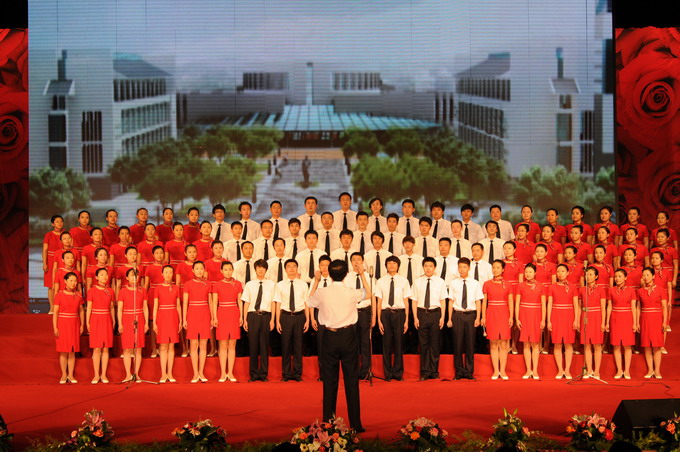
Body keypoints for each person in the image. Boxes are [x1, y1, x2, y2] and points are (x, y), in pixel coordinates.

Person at [306, 259, 368, 432]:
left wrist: (316, 281)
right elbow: (369, 294)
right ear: (346, 274)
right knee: (351, 381)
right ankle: (355, 424)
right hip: (348, 337)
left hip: (329, 337)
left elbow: (309, 301)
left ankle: (328, 423)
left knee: (329, 381)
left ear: (330, 274)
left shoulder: (322, 292)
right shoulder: (351, 292)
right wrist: (362, 274)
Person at [374, 256, 410, 381]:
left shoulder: (404, 281)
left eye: (394, 263)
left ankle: (398, 373)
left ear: (398, 266)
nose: (392, 265)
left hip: (399, 313)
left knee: (399, 344)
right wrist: (379, 320)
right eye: (389, 263)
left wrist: (407, 320)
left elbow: (406, 302)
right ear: (386, 266)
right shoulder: (380, 281)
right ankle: (388, 373)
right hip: (385, 313)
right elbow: (379, 302)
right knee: (386, 344)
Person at [411, 257, 448, 380]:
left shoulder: (440, 282)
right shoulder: (417, 282)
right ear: (423, 267)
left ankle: (434, 371)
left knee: (435, 344)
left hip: (435, 313)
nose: (428, 268)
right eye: (426, 266)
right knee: (423, 344)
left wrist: (442, 317)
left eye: (430, 266)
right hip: (422, 313)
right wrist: (415, 317)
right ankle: (425, 372)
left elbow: (443, 300)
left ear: (435, 268)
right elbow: (414, 301)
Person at [274, 259, 310, 382]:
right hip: (285, 316)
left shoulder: (303, 284)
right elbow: (278, 304)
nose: (291, 269)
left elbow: (306, 303)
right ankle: (286, 374)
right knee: (286, 346)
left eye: (294, 266)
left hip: (300, 316)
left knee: (298, 346)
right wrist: (277, 321)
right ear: (285, 269)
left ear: (297, 268)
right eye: (289, 266)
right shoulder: (280, 285)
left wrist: (307, 320)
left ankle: (298, 374)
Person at [448, 257, 484, 380]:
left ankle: (469, 372)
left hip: (471, 315)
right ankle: (458, 372)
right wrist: (449, 318)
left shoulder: (475, 283)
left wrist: (478, 317)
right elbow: (451, 301)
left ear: (469, 268)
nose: (462, 269)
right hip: (457, 315)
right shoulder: (453, 283)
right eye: (460, 267)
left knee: (470, 344)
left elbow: (478, 301)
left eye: (464, 267)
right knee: (457, 344)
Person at [242, 259, 276, 382]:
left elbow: (273, 302)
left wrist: (272, 319)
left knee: (264, 346)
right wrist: (245, 319)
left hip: (266, 316)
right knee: (253, 345)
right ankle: (253, 374)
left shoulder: (272, 284)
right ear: (255, 269)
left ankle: (263, 374)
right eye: (258, 267)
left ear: (266, 269)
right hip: (253, 316)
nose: (261, 270)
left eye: (263, 268)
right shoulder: (249, 284)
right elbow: (246, 302)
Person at [211, 261, 243, 382]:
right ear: (221, 271)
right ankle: (223, 373)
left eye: (230, 269)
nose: (228, 272)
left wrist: (241, 316)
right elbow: (214, 302)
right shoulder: (217, 285)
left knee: (232, 344)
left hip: (234, 313)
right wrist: (214, 317)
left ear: (233, 270)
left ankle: (230, 372)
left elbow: (239, 301)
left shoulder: (237, 284)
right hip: (222, 313)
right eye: (225, 270)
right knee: (223, 344)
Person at [481, 260, 513, 380]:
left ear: (503, 269)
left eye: (498, 267)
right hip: (491, 313)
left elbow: (510, 301)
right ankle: (496, 370)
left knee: (503, 344)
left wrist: (511, 316)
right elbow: (484, 301)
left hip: (504, 313)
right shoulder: (487, 284)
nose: (495, 270)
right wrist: (483, 317)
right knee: (493, 343)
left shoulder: (508, 284)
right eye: (493, 267)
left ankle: (503, 371)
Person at [343, 253, 374, 380]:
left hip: (365, 311)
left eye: (358, 260)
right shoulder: (347, 277)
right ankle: (353, 372)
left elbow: (372, 296)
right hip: (351, 311)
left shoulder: (369, 276)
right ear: (350, 262)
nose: (356, 262)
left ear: (363, 261)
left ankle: (365, 371)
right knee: (352, 343)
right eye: (354, 260)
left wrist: (374, 316)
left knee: (365, 342)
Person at [117, 268, 149, 383]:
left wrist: (146, 323)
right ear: (127, 278)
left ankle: (136, 374)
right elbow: (120, 309)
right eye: (132, 275)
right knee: (127, 349)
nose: (134, 277)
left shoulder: (142, 290)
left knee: (138, 349)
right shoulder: (123, 291)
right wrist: (120, 323)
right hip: (127, 319)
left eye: (136, 275)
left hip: (139, 318)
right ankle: (127, 375)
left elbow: (145, 307)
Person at [515, 263, 546, 379]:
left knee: (535, 343)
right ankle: (528, 370)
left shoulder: (541, 286)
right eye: (526, 272)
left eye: (530, 272)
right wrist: (517, 318)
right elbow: (517, 303)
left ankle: (535, 370)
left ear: (535, 273)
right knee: (526, 344)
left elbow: (543, 304)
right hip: (524, 315)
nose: (528, 274)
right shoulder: (520, 286)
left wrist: (543, 319)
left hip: (536, 316)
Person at [547, 264, 579, 379]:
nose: (560, 273)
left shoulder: (573, 287)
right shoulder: (552, 287)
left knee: (568, 344)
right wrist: (548, 320)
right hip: (556, 316)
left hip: (569, 316)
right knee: (557, 344)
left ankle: (567, 370)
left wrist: (576, 319)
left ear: (567, 273)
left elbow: (576, 304)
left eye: (563, 271)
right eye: (558, 271)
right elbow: (549, 304)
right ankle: (560, 370)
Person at [183, 261, 212, 383]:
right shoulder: (188, 284)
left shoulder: (208, 284)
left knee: (203, 345)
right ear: (193, 270)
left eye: (201, 268)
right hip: (192, 314)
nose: (199, 271)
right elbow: (185, 302)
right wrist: (184, 319)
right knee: (194, 344)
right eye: (197, 268)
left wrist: (212, 317)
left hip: (205, 314)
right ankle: (195, 373)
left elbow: (210, 302)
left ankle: (201, 372)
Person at [53, 272, 84, 384]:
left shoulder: (78, 295)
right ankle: (63, 374)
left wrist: (82, 325)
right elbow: (55, 312)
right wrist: (55, 327)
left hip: (74, 323)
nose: (73, 283)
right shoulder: (59, 295)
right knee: (63, 351)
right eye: (71, 280)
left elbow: (81, 311)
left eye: (75, 281)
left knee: (72, 350)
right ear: (65, 281)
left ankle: (70, 375)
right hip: (63, 324)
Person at [606, 269, 637, 380]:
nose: (617, 278)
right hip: (615, 318)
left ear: (625, 278)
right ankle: (619, 370)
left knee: (627, 346)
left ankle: (627, 370)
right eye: (616, 276)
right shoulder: (611, 290)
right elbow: (609, 307)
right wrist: (607, 322)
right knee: (616, 345)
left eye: (620, 276)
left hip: (627, 318)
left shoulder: (631, 290)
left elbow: (633, 307)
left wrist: (635, 322)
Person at [638, 267, 668, 379]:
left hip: (656, 318)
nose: (645, 277)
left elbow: (664, 307)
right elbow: (638, 308)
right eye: (644, 275)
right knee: (647, 346)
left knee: (656, 346)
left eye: (648, 275)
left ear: (653, 276)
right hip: (645, 319)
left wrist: (665, 322)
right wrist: (638, 322)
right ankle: (650, 370)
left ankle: (657, 370)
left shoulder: (660, 289)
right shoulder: (640, 291)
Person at [86, 268, 115, 384]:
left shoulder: (110, 291)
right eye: (102, 275)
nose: (104, 276)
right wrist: (88, 322)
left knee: (106, 347)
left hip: (107, 318)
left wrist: (113, 320)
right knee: (97, 348)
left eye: (106, 274)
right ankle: (96, 375)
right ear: (96, 277)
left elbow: (112, 307)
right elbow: (89, 307)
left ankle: (103, 374)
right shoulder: (92, 291)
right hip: (95, 318)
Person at [153, 265, 181, 383]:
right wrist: (155, 322)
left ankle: (170, 373)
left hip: (173, 316)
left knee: (171, 346)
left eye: (170, 272)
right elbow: (155, 306)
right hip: (162, 317)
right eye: (166, 272)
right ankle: (163, 374)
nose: (168, 275)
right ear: (162, 274)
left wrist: (180, 320)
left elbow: (178, 305)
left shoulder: (176, 288)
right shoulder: (158, 288)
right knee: (163, 346)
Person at [578, 267, 607, 379]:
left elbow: (603, 307)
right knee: (587, 345)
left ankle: (597, 371)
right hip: (585, 317)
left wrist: (603, 322)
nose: (588, 277)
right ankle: (589, 370)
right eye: (587, 274)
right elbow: (580, 306)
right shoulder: (582, 290)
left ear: (596, 276)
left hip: (597, 317)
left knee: (597, 345)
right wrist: (579, 319)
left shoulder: (601, 290)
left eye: (591, 274)